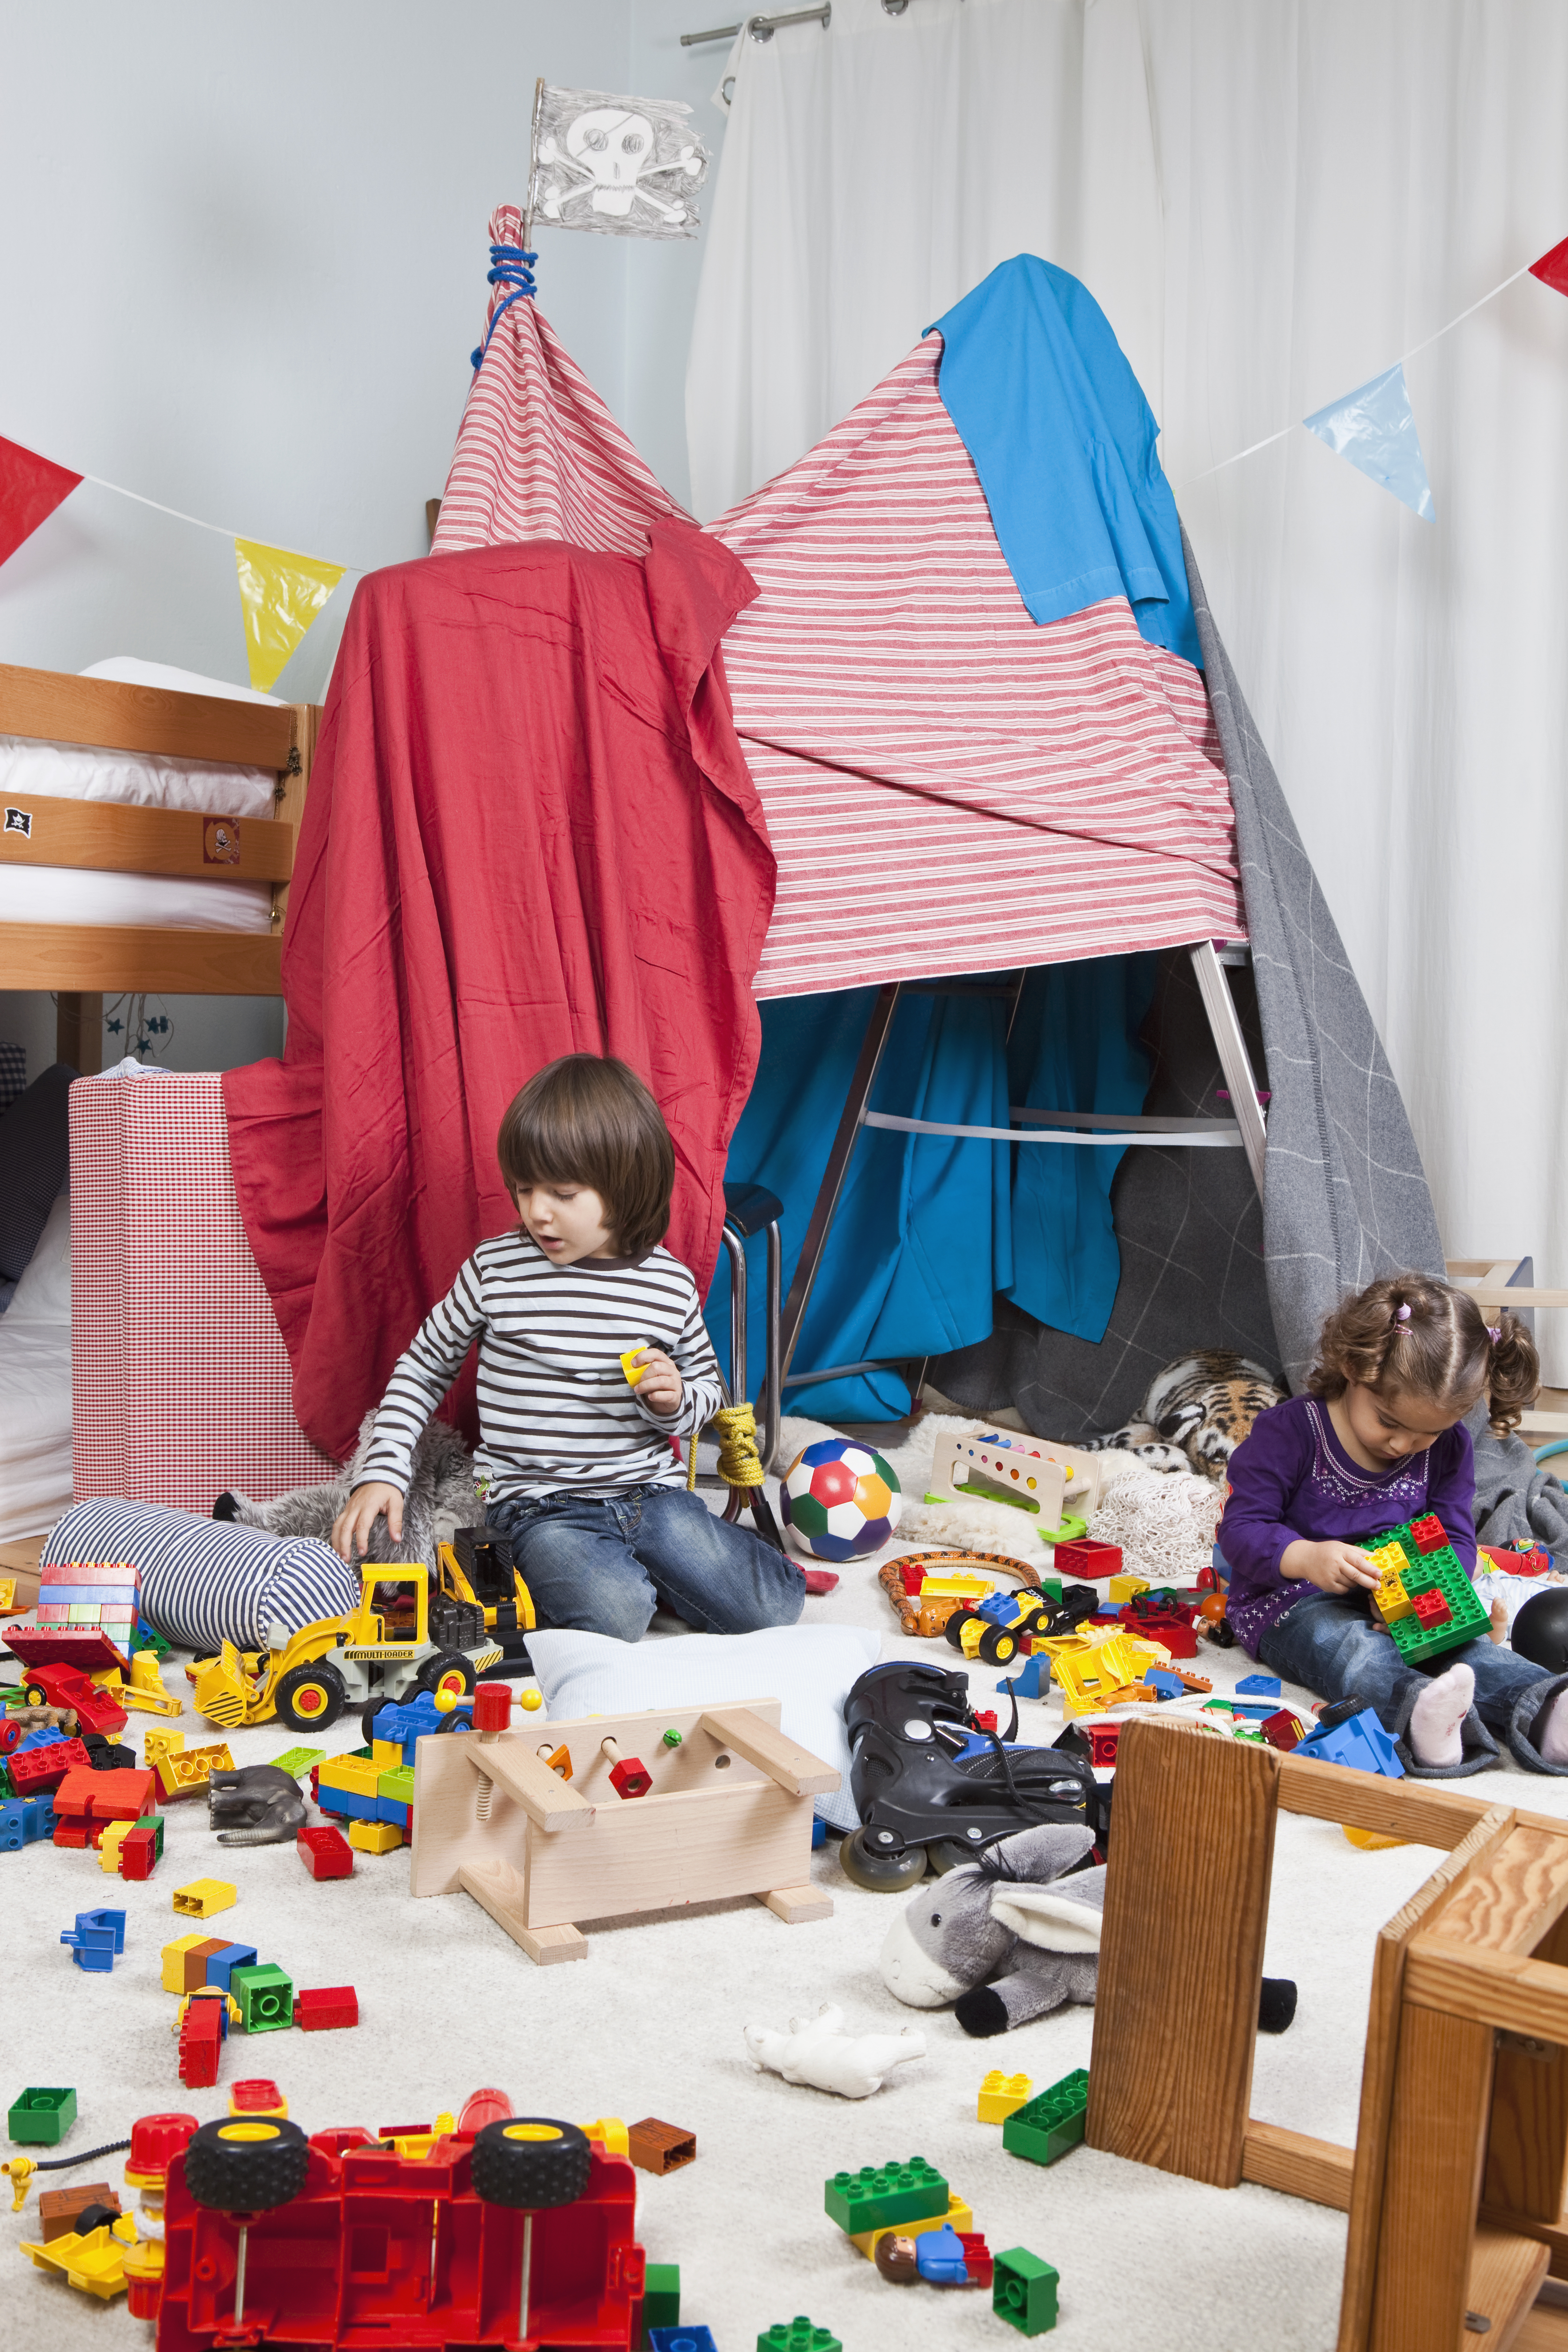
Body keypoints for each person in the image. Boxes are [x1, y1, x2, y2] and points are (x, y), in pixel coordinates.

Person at [332, 1054, 804, 1644]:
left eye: (561, 1193)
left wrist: (675, 1400)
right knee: (616, 1616)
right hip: (535, 1502)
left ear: (624, 1187)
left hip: (649, 1494)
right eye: (523, 1189)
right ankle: (624, 1581)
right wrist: (383, 1471)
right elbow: (423, 1367)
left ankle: (655, 1568)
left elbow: (708, 1389)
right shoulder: (496, 1269)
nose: (536, 1212)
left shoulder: (668, 1282)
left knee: (774, 1607)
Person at [1217, 1271, 1568, 1777]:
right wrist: (1307, 1557)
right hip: (1290, 1600)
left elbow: (1453, 1535)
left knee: (1468, 1651)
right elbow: (1241, 1529)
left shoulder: (1447, 1447)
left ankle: (1547, 1712)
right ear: (1353, 1366)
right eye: (1388, 1421)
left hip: (1400, 1594)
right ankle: (1422, 1720)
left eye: (1427, 1433)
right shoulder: (1291, 1432)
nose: (1404, 1445)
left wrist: (1431, 1587)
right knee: (1352, 1650)